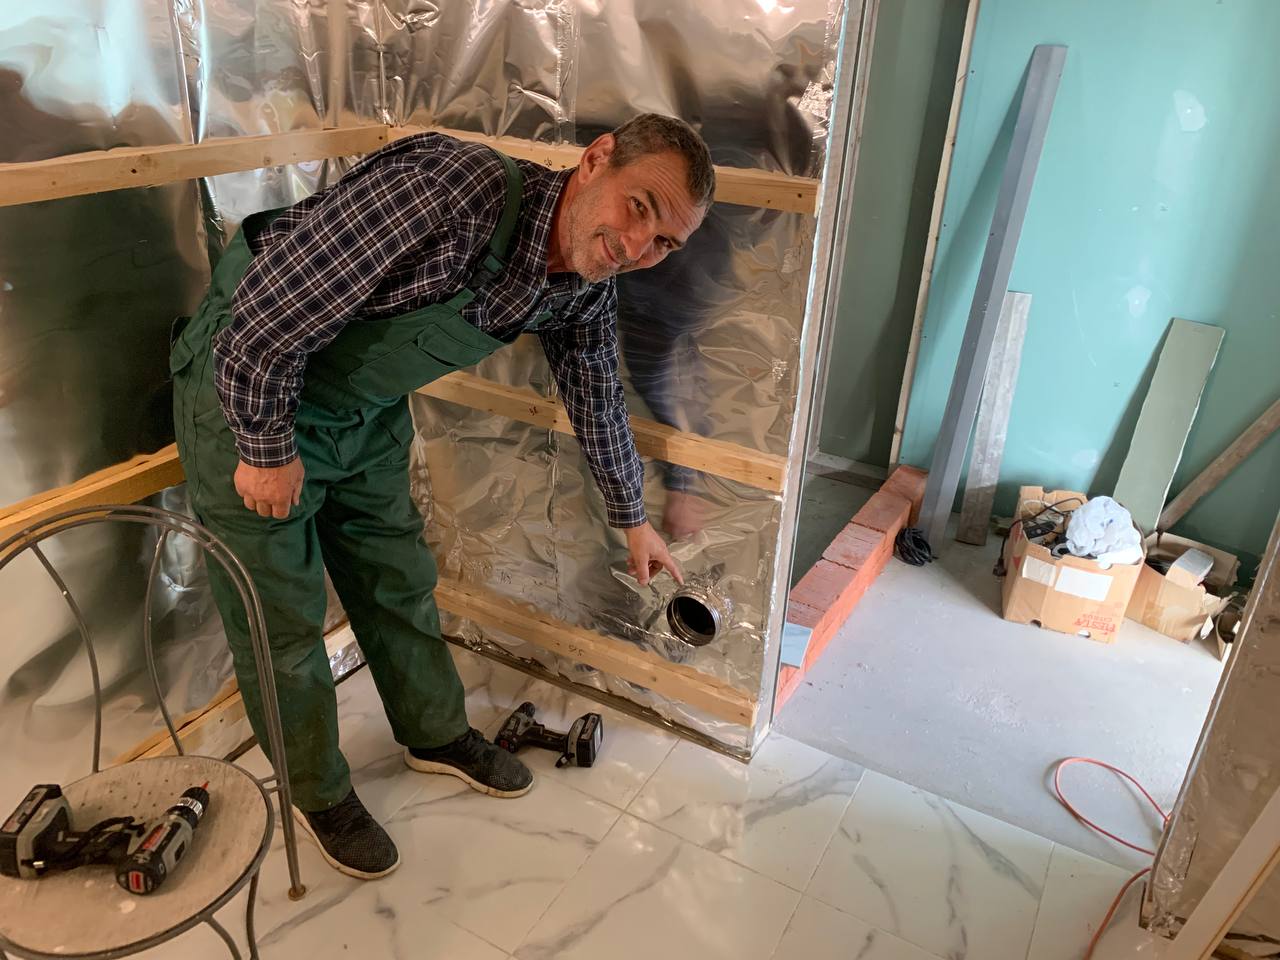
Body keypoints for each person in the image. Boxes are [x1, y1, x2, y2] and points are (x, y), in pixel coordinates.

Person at [170, 114, 714, 879]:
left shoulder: (582, 288)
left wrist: (633, 519)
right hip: (249, 392)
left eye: (664, 242)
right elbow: (264, 319)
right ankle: (318, 792)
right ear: (596, 162)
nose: (637, 245)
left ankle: (434, 734)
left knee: (397, 576)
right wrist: (265, 450)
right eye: (639, 207)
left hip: (359, 411)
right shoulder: (451, 190)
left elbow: (597, 398)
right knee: (281, 615)